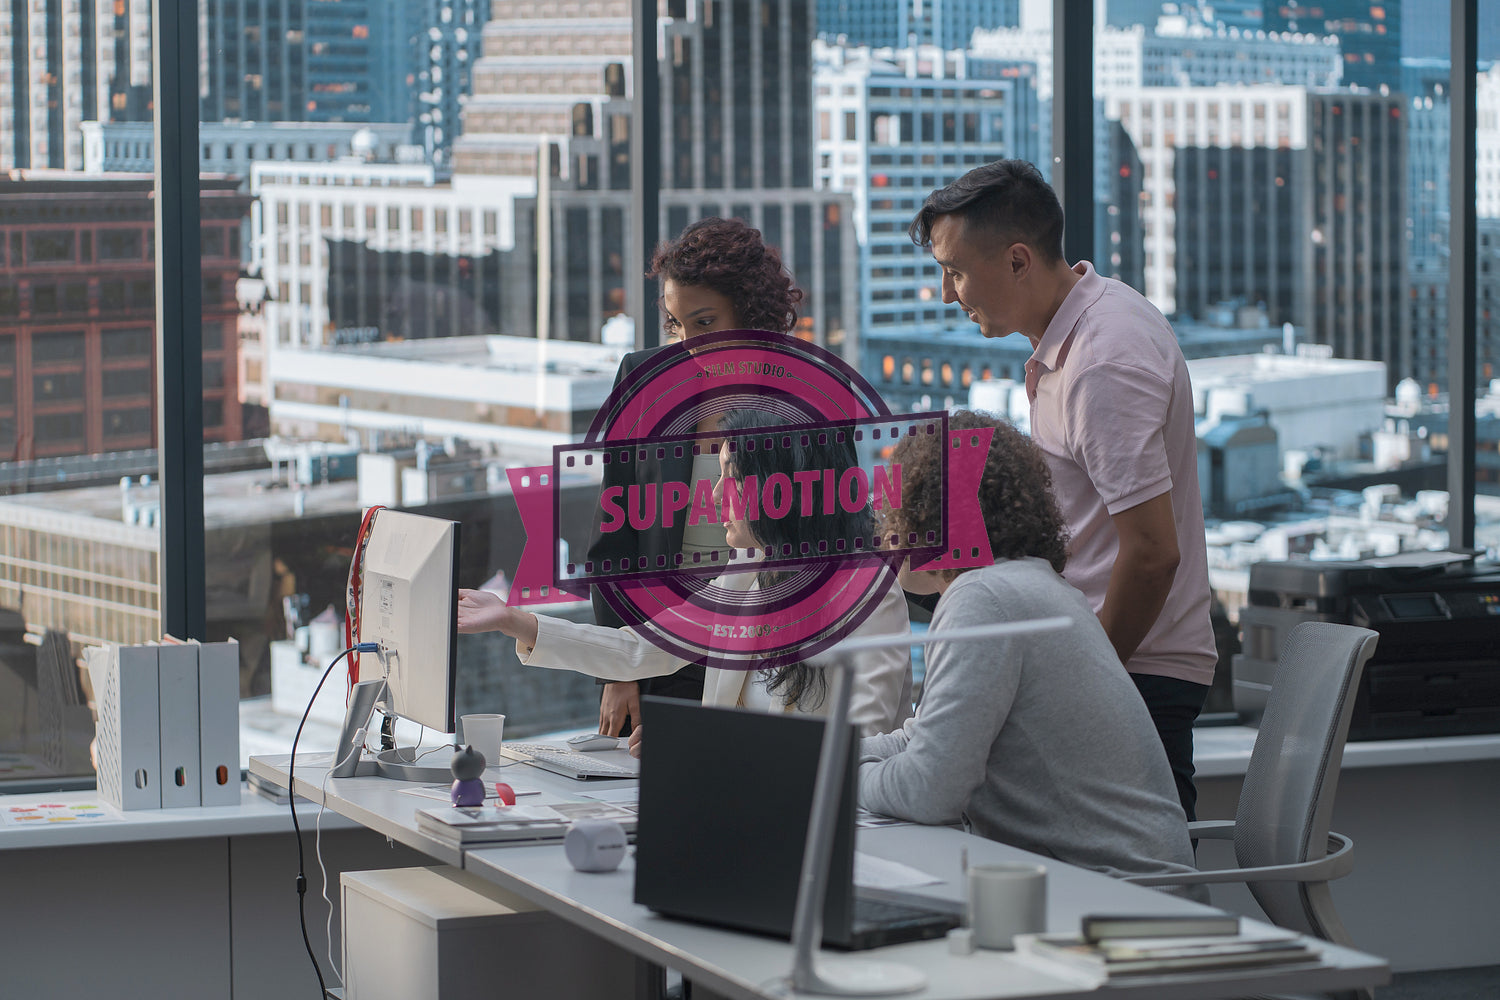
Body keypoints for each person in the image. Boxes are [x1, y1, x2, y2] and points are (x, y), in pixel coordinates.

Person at [909, 159, 1216, 820]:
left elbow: (1153, 553)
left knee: (1141, 894)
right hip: (1121, 661)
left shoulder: (1101, 361)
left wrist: (1086, 678)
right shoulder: (1088, 326)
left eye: (955, 271)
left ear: (1019, 260)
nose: (946, 294)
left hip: (1134, 668)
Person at [856, 411, 1201, 890]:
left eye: (895, 505)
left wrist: (843, 780)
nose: (886, 524)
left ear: (930, 514)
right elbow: (919, 739)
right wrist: (828, 756)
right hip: (1127, 893)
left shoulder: (983, 599)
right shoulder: (1032, 585)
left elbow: (927, 791)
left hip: (1116, 906)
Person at [459, 410, 913, 741]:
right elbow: (642, 648)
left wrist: (698, 750)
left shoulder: (868, 594)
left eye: (731, 478)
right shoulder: (750, 570)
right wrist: (513, 621)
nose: (714, 496)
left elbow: (861, 751)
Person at [589, 217, 805, 738]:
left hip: (761, 660)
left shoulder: (806, 395)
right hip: (656, 655)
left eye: (704, 322)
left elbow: (822, 546)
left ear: (750, 313)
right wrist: (620, 670)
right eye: (675, 323)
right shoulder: (642, 381)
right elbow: (613, 541)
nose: (687, 343)